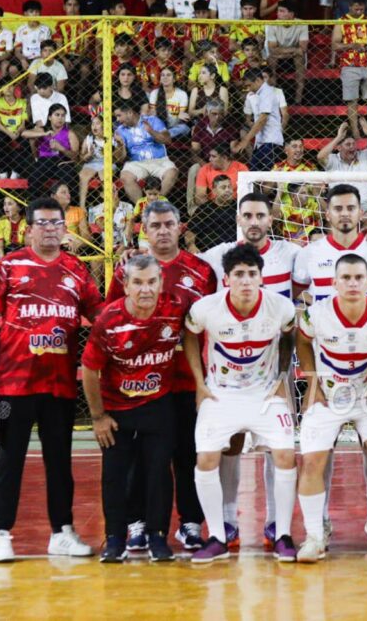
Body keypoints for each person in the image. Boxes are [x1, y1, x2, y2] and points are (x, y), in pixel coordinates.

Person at [0, 197, 103, 562]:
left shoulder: (76, 269)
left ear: (65, 228)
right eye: (42, 223)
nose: (50, 229)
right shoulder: (9, 266)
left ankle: (62, 532)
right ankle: (1, 533)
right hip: (13, 384)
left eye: (56, 223)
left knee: (60, 462)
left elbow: (98, 315)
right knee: (8, 461)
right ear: (29, 229)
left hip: (59, 385)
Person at [106, 201, 217, 552]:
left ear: (180, 227)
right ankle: (137, 523)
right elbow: (111, 320)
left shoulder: (201, 271)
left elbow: (212, 324)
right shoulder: (128, 270)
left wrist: (206, 380)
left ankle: (190, 523)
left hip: (185, 380)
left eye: (169, 224)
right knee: (141, 457)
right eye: (155, 225)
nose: (163, 230)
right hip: (142, 383)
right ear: (145, 229)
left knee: (188, 453)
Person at [198, 192, 302, 548]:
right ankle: (226, 522)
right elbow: (181, 260)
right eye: (248, 215)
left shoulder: (291, 254)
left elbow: (292, 323)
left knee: (279, 447)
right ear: (239, 218)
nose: (254, 221)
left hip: (271, 370)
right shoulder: (218, 255)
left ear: (271, 219)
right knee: (230, 445)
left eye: (260, 215)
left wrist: (284, 374)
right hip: (228, 374)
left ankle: (276, 523)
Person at [294, 255, 367, 562]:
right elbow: (302, 342)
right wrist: (312, 382)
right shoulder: (316, 314)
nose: (352, 283)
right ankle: (315, 535)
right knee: (312, 461)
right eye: (346, 278)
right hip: (328, 395)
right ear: (334, 282)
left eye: (358, 277)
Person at [83, 255, 186, 563]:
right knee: (114, 474)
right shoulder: (109, 320)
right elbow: (89, 369)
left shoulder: (175, 309)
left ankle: (158, 536)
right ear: (125, 286)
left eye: (152, 282)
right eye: (138, 283)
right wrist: (98, 417)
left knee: (159, 472)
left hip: (158, 404)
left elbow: (196, 333)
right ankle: (115, 538)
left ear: (161, 283)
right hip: (116, 409)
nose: (145, 289)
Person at [292, 184, 367, 304]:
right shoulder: (309, 253)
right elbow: (295, 292)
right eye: (338, 209)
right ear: (327, 215)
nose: (345, 213)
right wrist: (319, 306)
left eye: (351, 208)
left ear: (361, 214)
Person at [331, 0, 367, 140]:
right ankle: (356, 133)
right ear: (350, 6)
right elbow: (335, 45)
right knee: (352, 101)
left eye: (361, 9)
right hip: (349, 65)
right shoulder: (341, 22)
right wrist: (351, 45)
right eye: (356, 9)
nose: (359, 11)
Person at [317, 121, 367, 216]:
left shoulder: (364, 156)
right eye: (348, 144)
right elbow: (320, 157)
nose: (352, 147)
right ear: (339, 147)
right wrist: (338, 137)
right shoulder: (333, 160)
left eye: (354, 144)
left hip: (363, 204)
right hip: (339, 204)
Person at [114, 100, 176, 202]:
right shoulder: (120, 130)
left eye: (119, 115)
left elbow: (167, 140)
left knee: (172, 172)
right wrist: (120, 145)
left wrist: (151, 131)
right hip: (136, 163)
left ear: (130, 113)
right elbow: (120, 159)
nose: (117, 120)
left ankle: (156, 203)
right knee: (125, 176)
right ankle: (142, 206)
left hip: (159, 160)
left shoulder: (153, 120)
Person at [21, 103, 79, 197]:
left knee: (70, 178)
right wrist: (44, 134)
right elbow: (24, 134)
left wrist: (61, 148)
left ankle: (69, 203)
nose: (60, 118)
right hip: (45, 162)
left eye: (63, 115)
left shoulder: (70, 134)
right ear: (49, 117)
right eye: (57, 115)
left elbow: (75, 156)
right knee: (34, 178)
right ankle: (39, 202)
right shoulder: (43, 130)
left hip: (62, 162)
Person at [265, 2, 309, 105]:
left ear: (291, 14)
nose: (278, 14)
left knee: (299, 58)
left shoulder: (302, 24)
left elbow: (303, 48)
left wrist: (283, 51)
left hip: (293, 57)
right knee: (272, 58)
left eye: (282, 11)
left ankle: (298, 100)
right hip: (279, 56)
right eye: (278, 11)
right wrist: (294, 50)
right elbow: (272, 49)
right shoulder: (272, 25)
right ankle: (273, 97)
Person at [186, 176, 238, 252]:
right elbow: (190, 232)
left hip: (234, 251)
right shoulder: (204, 209)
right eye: (223, 187)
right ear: (214, 191)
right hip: (207, 252)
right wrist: (191, 246)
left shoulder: (240, 206)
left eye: (229, 187)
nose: (227, 190)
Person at [148, 67, 190, 139]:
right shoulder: (154, 93)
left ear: (174, 79)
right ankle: (162, 136)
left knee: (184, 128)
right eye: (163, 75)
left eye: (168, 75)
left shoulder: (182, 94)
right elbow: (153, 114)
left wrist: (181, 114)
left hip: (175, 127)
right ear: (160, 79)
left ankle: (162, 136)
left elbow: (181, 115)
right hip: (159, 127)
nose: (165, 77)